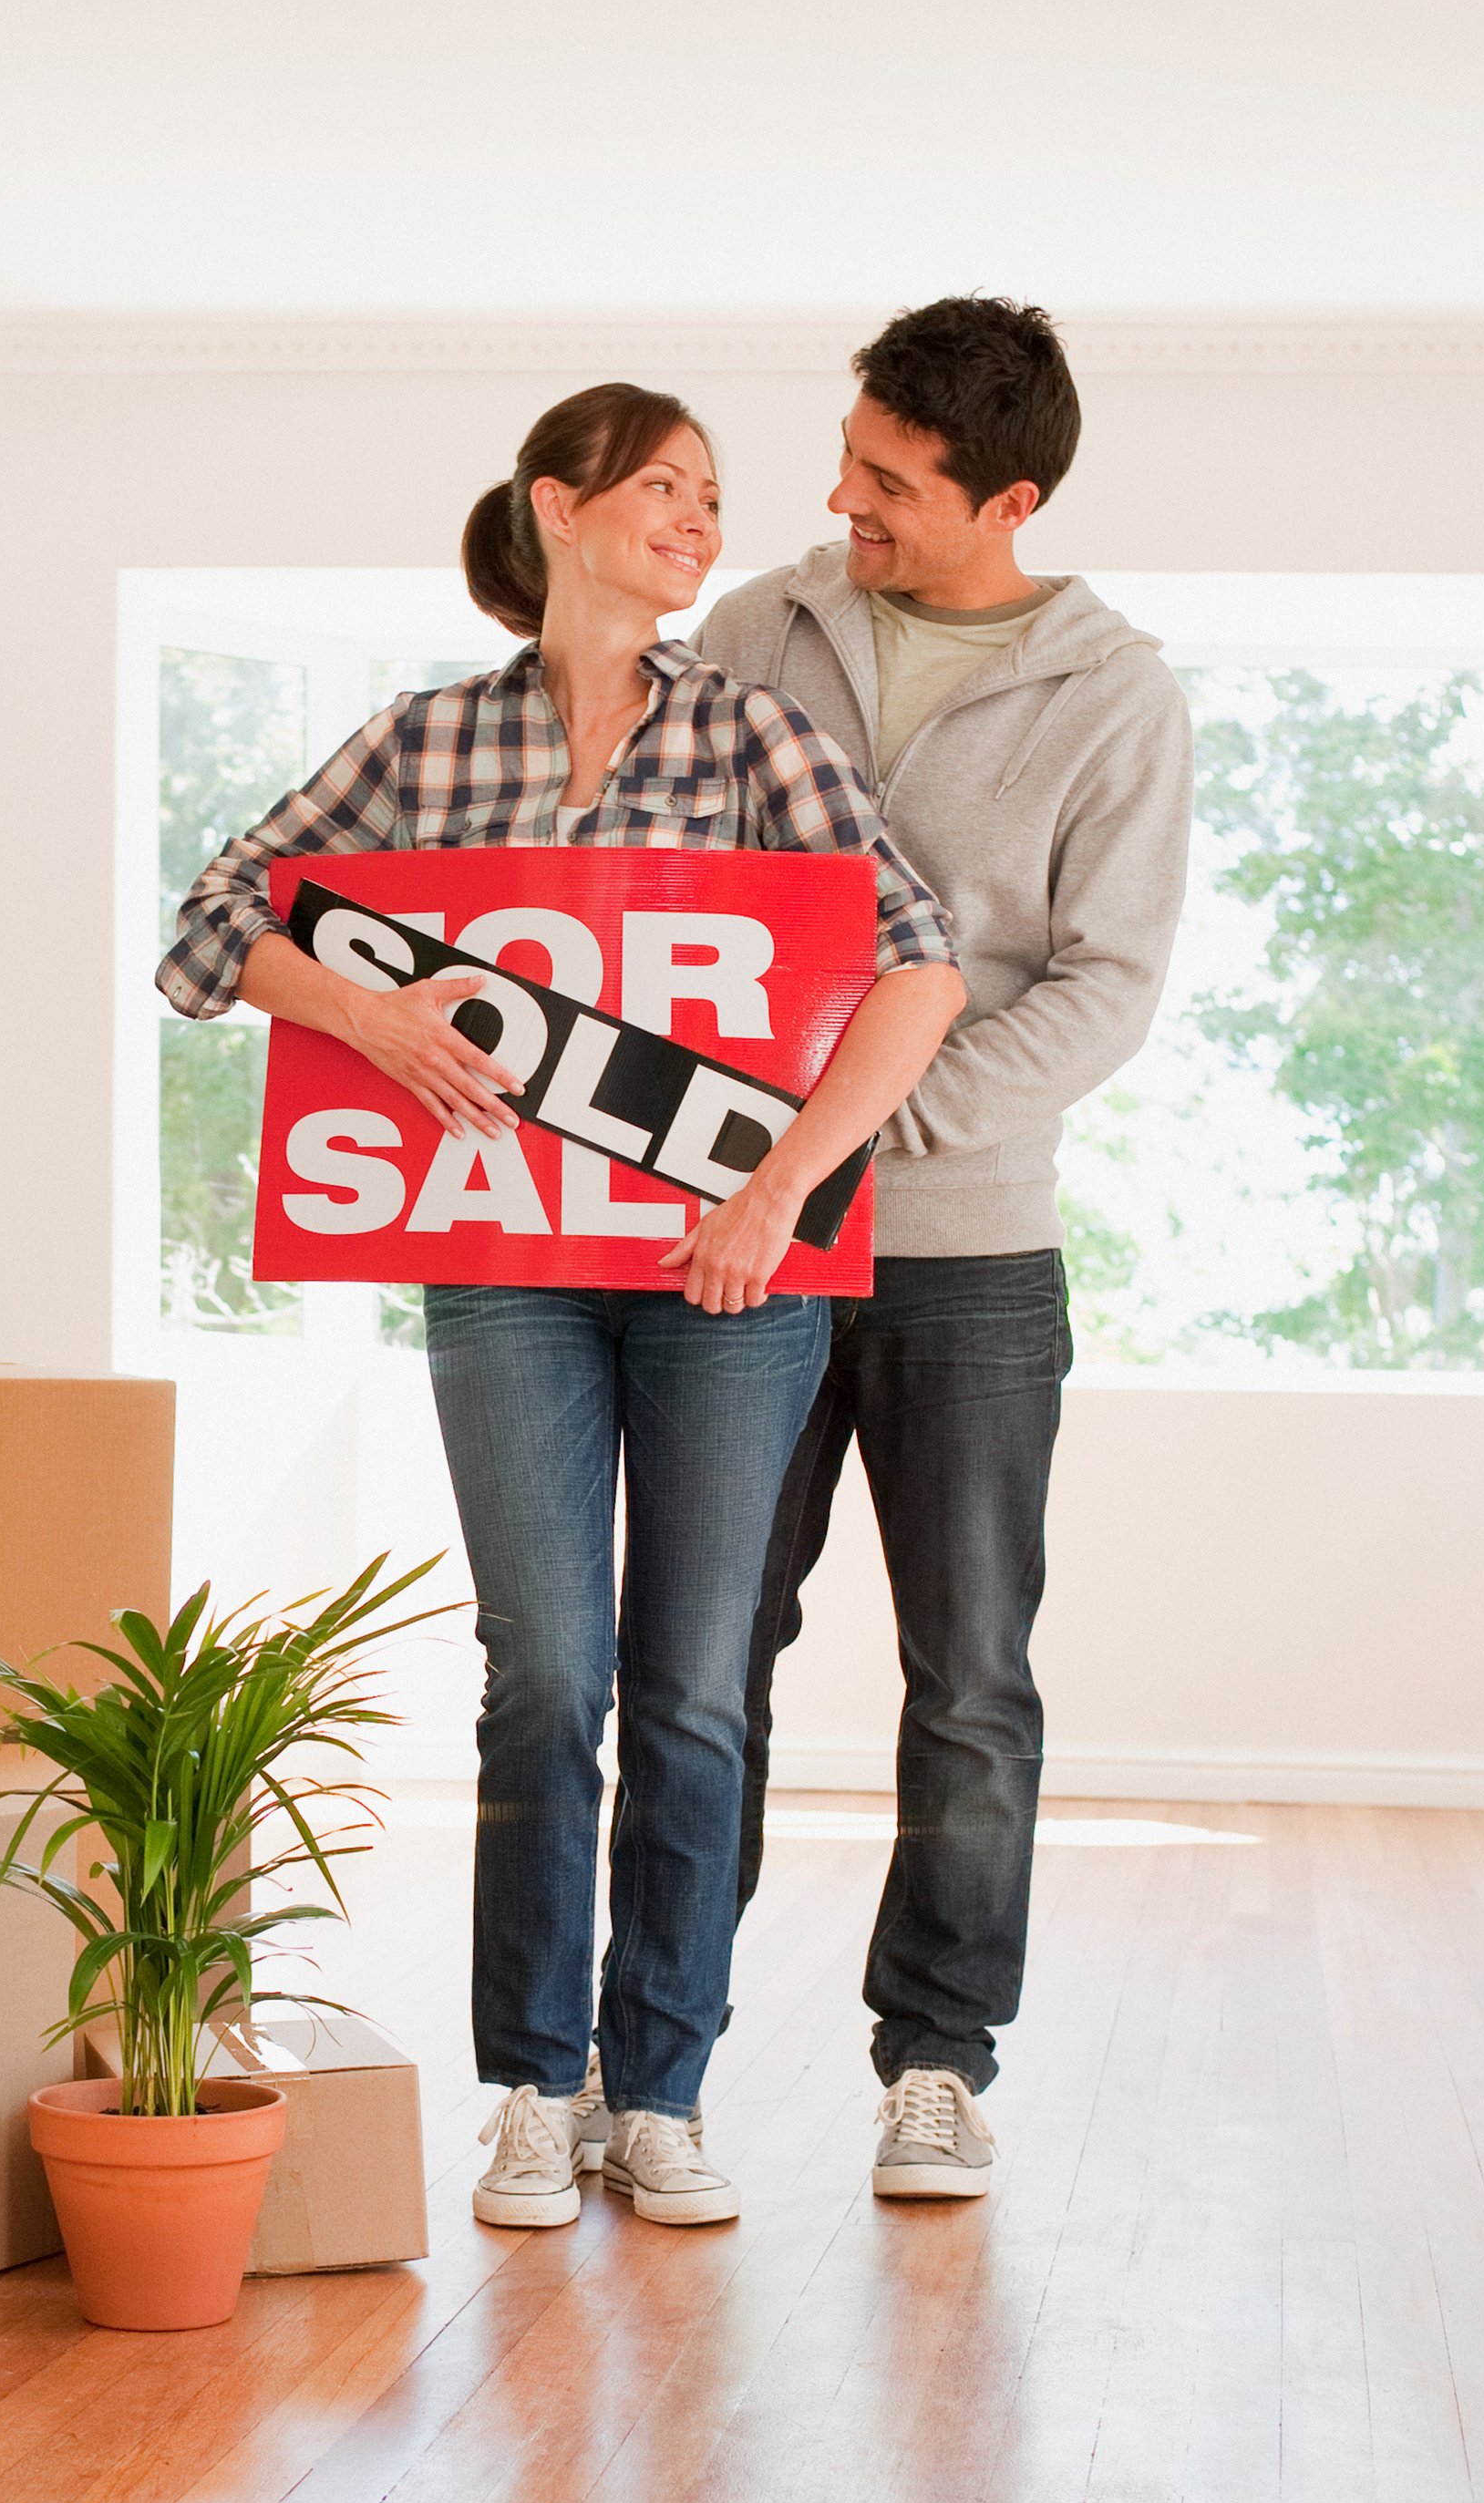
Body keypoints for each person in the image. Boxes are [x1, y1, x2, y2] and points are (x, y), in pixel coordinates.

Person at [158, 384, 965, 2233]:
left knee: (692, 1695)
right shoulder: (428, 742)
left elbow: (916, 974)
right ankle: (537, 2087)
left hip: (725, 1281)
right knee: (545, 1683)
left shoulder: (757, 735)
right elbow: (213, 928)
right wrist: (366, 1011)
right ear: (561, 507)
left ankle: (660, 2093)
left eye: (710, 496)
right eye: (665, 489)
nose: (699, 521)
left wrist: (777, 1192)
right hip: (506, 1271)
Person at [694, 298, 1191, 2200]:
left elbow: (1106, 988)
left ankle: (940, 2058)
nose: (842, 501)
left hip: (970, 1253)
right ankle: (655, 2047)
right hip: (743, 1238)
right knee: (707, 1647)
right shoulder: (761, 630)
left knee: (971, 1671)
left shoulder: (1116, 696)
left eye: (891, 482)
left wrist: (857, 1129)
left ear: (1011, 498)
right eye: (850, 457)